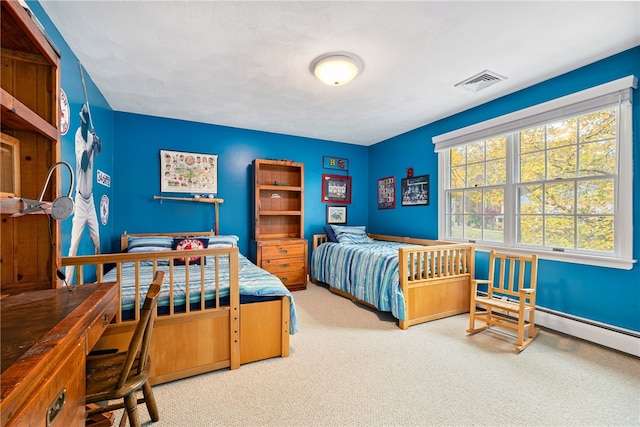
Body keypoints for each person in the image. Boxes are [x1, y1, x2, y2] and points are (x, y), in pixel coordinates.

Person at [65, 103, 102, 282]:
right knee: (74, 243)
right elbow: (85, 161)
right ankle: (66, 282)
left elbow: (98, 151)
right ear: (82, 120)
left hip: (91, 200)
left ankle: (99, 277)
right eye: (84, 119)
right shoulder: (79, 138)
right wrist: (91, 145)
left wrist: (97, 142)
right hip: (80, 201)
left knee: (97, 239)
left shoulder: (89, 137)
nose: (85, 123)